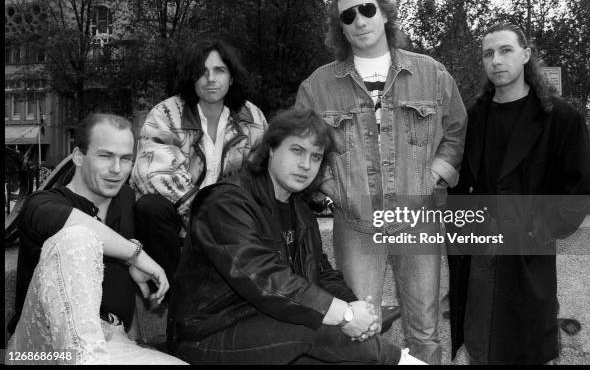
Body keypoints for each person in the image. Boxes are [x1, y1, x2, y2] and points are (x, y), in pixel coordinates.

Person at [295, 0, 467, 364]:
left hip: (418, 218)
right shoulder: (317, 87)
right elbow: (302, 144)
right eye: (348, 15)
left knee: (424, 328)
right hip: (357, 227)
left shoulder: (432, 74)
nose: (360, 20)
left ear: (385, 14)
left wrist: (432, 175)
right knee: (361, 327)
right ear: (340, 27)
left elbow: (455, 130)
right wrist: (331, 187)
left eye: (367, 9)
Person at [166, 109, 426, 365]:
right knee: (323, 329)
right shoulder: (227, 203)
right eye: (297, 151)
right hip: (206, 332)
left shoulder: (300, 210)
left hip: (268, 325)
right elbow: (263, 278)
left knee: (344, 351)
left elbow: (322, 274)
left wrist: (357, 309)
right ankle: (402, 361)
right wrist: (345, 315)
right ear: (271, 149)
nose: (306, 165)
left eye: (315, 157)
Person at [447, 22, 590, 364]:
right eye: (488, 54)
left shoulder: (561, 118)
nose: (496, 60)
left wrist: (534, 229)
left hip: (528, 256)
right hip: (479, 255)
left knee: (527, 349)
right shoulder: (474, 117)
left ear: (526, 55)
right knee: (481, 347)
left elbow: (577, 192)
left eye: (505, 50)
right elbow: (462, 187)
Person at [7, 113, 186, 365]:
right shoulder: (44, 203)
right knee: (79, 237)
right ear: (79, 156)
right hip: (39, 350)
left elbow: (121, 295)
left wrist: (138, 339)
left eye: (125, 159)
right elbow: (62, 223)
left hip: (112, 343)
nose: (116, 169)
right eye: (105, 156)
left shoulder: (124, 199)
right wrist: (135, 254)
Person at [130, 39, 267, 286]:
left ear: (232, 77)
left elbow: (263, 174)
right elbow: (154, 175)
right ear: (191, 78)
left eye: (219, 70)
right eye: (202, 72)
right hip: (183, 225)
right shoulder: (166, 113)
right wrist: (206, 218)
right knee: (150, 207)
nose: (211, 79)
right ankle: (175, 292)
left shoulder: (253, 119)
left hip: (233, 224)